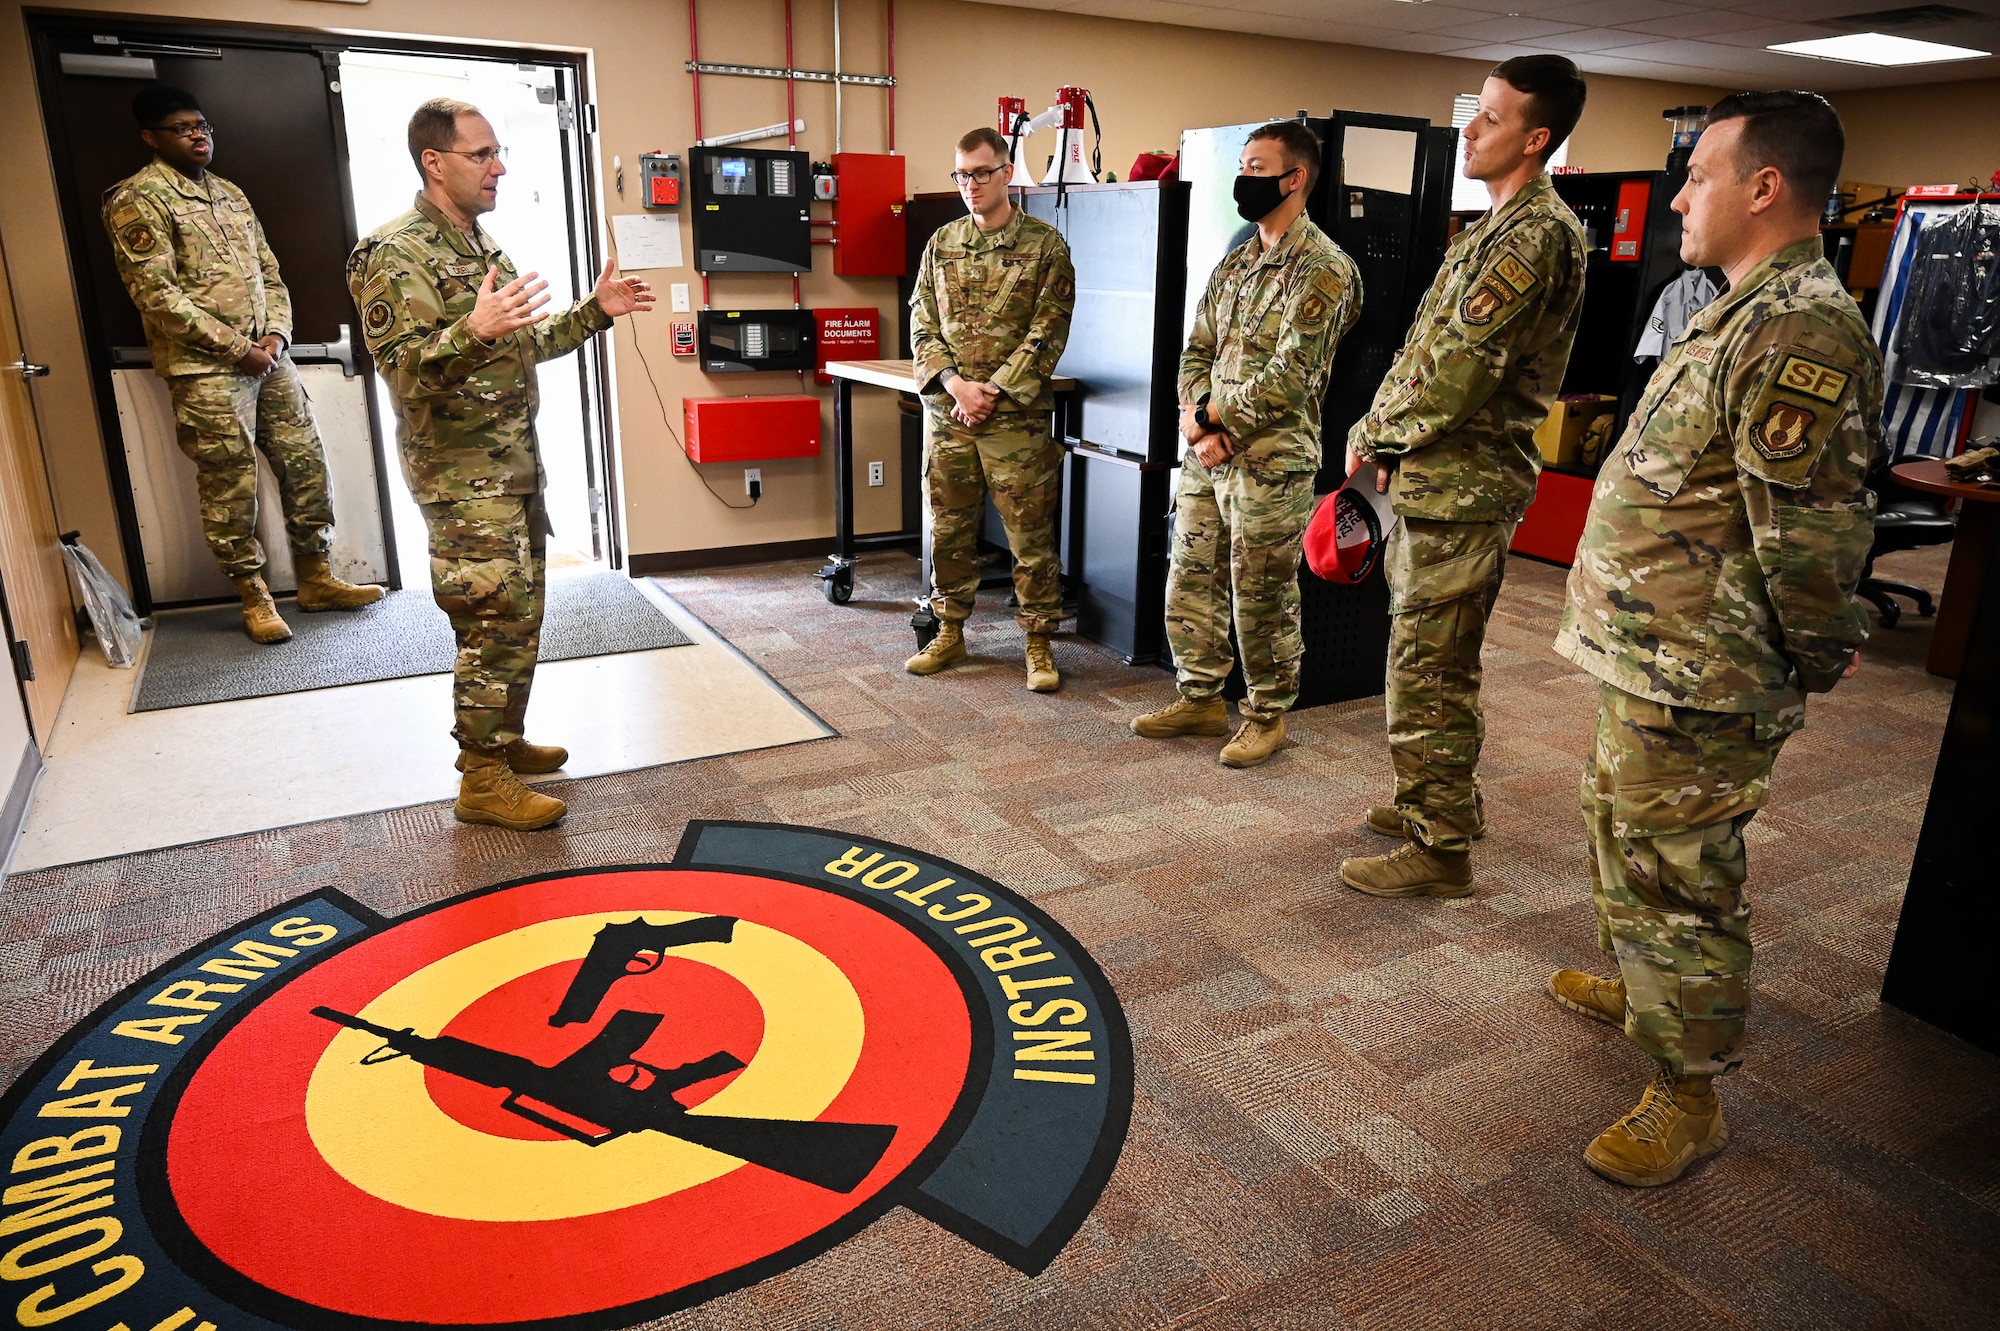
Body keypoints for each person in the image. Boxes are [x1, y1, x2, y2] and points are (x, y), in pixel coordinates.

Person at [1547, 91, 1878, 1186]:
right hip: (1653, 652)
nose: (1679, 195)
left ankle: (1685, 1088)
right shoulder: (1733, 307)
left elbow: (1810, 537)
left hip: (1708, 669)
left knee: (1681, 869)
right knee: (1620, 829)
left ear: (1763, 188)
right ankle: (1644, 979)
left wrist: (1809, 658)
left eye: (1697, 175)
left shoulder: (1798, 328)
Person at [347, 98, 653, 831]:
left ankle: (502, 741)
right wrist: (470, 331)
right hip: (461, 482)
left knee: (518, 617)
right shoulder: (392, 254)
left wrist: (593, 312)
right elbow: (402, 370)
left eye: (496, 153)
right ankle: (481, 776)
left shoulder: (480, 246)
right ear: (435, 161)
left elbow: (521, 343)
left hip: (513, 469)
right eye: (482, 154)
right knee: (490, 619)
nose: (499, 167)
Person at [1339, 56, 1588, 895]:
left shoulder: (1534, 235)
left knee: (1427, 665)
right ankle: (1442, 797)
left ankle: (1437, 844)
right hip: (1438, 478)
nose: (1469, 131)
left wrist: (1373, 433)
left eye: (1488, 117)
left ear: (1536, 137)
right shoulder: (1491, 227)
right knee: (1440, 654)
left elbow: (1455, 371)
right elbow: (1427, 350)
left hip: (1463, 485)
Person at [103, 85, 383, 642]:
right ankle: (253, 595)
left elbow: (270, 273)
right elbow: (156, 296)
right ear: (150, 137)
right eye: (181, 127)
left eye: (202, 124)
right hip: (206, 370)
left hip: (270, 358)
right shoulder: (138, 199)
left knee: (305, 464)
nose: (197, 134)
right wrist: (239, 350)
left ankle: (315, 579)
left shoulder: (231, 194)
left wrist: (277, 334)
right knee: (229, 483)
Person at [1131, 120, 1361, 768]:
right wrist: (1195, 420)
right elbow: (1197, 343)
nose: (1245, 179)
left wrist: (1216, 422)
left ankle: (1266, 713)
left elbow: (1295, 372)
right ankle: (1200, 695)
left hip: (1270, 462)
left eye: (1258, 167)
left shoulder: (1324, 269)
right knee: (1192, 574)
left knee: (1260, 592)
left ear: (1296, 178)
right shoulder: (1238, 256)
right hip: (1207, 453)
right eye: (1242, 165)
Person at [906, 127, 1076, 692]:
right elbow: (922, 323)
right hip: (951, 417)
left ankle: (1038, 643)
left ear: (1006, 172)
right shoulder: (942, 243)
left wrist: (993, 392)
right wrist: (956, 386)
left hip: (1016, 422)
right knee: (949, 530)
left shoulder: (1045, 246)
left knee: (1030, 537)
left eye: (980, 172)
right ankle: (950, 631)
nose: (970, 185)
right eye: (961, 174)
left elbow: (1047, 333)